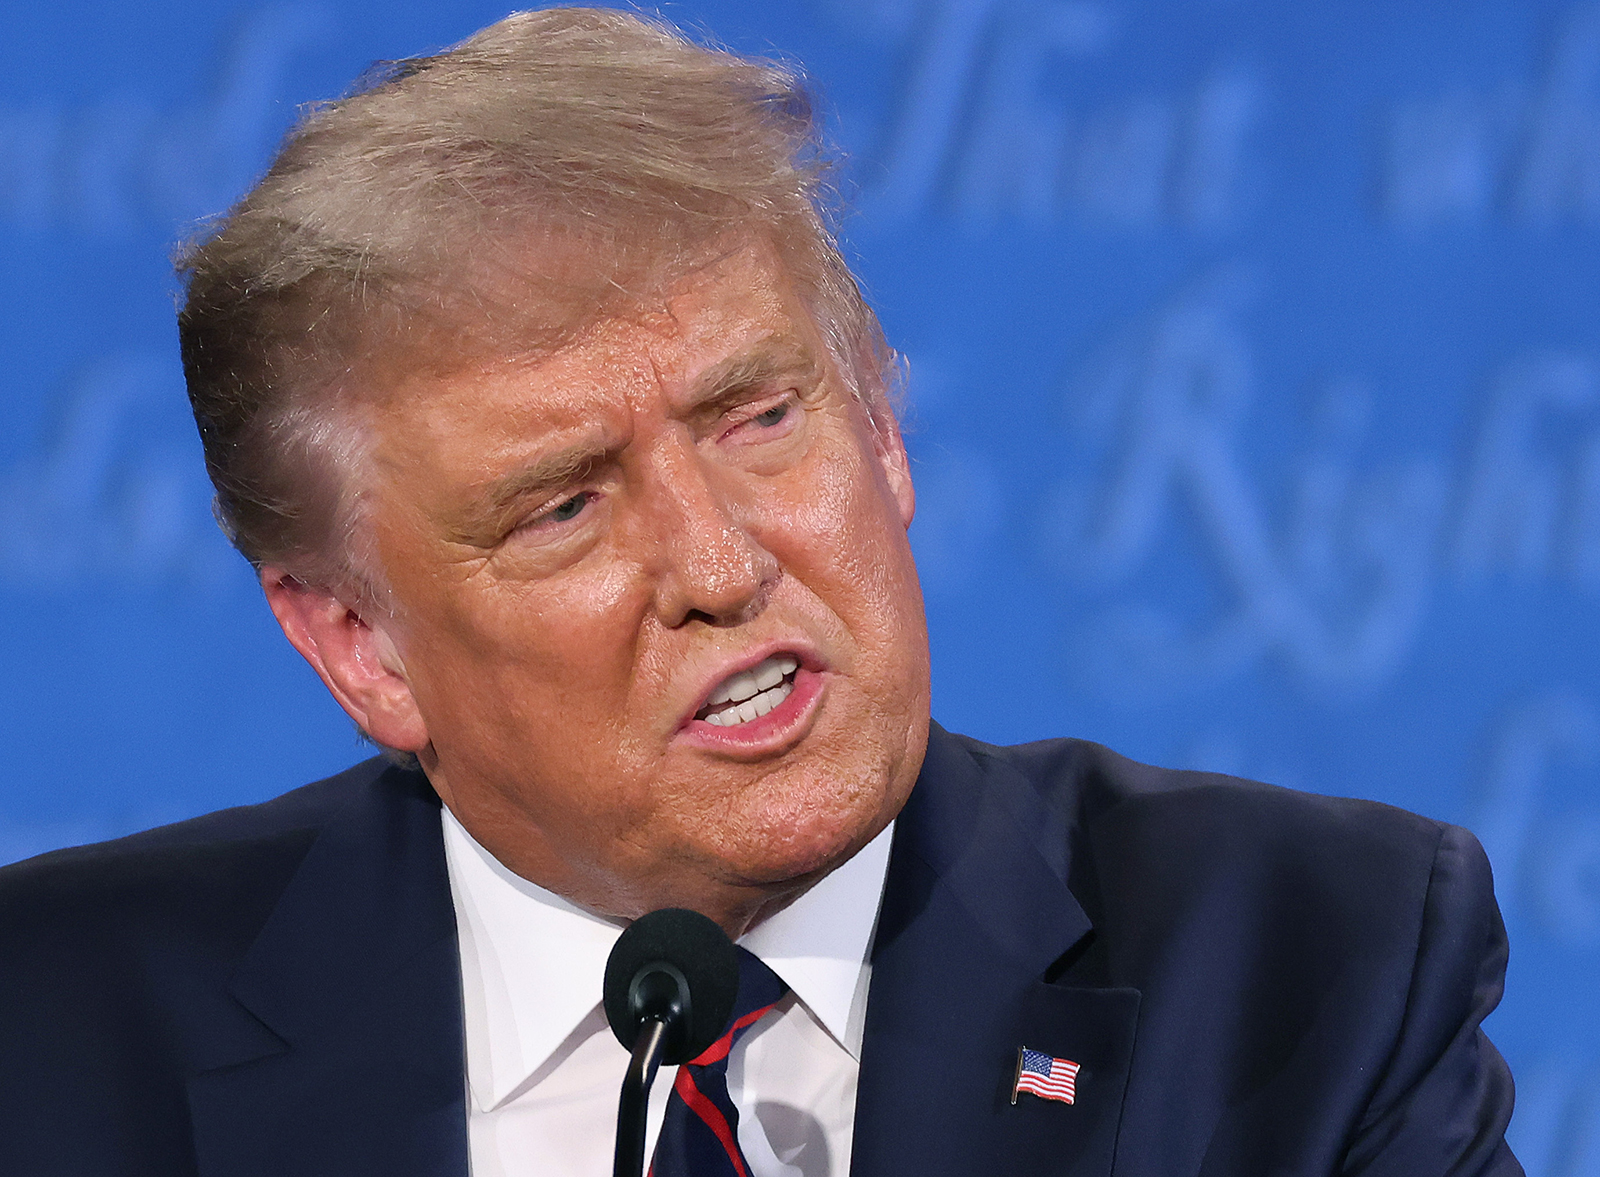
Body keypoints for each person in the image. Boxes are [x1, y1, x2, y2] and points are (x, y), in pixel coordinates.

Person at [0, 9, 1520, 1177]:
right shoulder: (56, 1039)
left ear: (882, 428)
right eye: (565, 505)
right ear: (361, 644)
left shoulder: (1305, 968)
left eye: (758, 418)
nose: (724, 567)